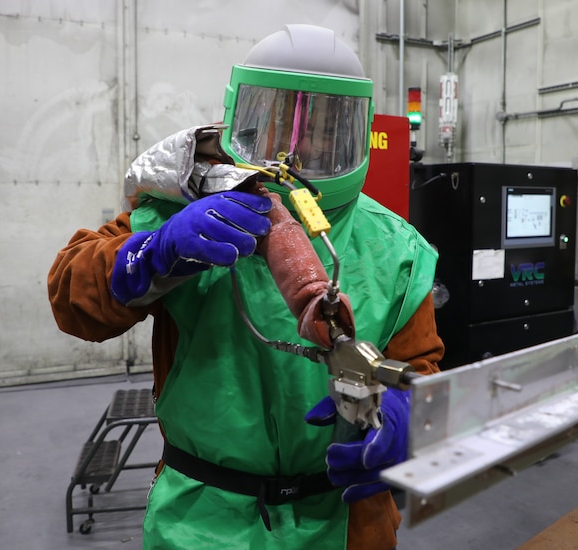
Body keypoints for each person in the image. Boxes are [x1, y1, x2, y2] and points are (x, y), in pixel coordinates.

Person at [48, 23, 443, 550]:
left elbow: (421, 369)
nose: (301, 147)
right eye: (283, 120)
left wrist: (407, 414)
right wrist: (154, 252)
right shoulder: (187, 207)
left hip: (344, 519)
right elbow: (73, 301)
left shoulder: (396, 247)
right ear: (244, 117)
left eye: (327, 127)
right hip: (202, 516)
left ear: (358, 132)